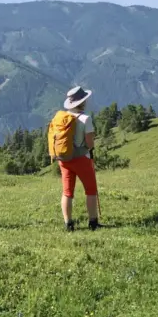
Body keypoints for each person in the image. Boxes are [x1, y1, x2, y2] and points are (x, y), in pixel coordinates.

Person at [58, 86, 99, 231]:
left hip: (64, 159)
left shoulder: (62, 118)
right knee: (91, 190)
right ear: (83, 102)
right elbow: (90, 143)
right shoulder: (85, 119)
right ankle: (93, 222)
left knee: (67, 192)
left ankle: (68, 223)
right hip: (82, 159)